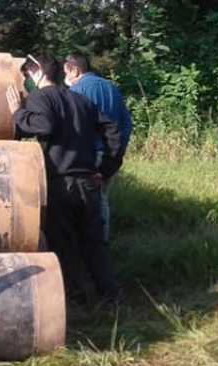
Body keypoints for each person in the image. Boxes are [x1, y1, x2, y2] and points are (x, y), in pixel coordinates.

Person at [5, 54, 125, 309]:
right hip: (88, 182)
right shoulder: (80, 99)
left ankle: (76, 299)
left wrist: (18, 113)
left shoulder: (39, 97)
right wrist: (105, 169)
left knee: (63, 243)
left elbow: (44, 125)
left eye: (27, 75)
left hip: (60, 184)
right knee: (94, 243)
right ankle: (111, 297)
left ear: (37, 72)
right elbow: (113, 131)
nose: (26, 80)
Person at [63, 53, 134, 243]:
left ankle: (94, 250)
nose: (65, 78)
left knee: (86, 203)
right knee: (102, 199)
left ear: (74, 69)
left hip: (88, 155)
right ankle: (101, 245)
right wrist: (117, 153)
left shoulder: (76, 91)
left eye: (66, 72)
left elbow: (73, 127)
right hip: (111, 154)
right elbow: (126, 124)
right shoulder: (112, 88)